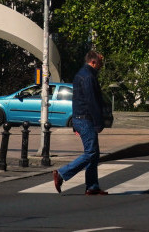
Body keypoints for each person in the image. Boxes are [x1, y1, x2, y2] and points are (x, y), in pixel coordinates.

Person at [53, 50, 108, 195]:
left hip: (80, 118)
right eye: (100, 63)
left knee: (94, 154)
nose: (101, 66)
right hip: (86, 119)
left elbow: (77, 100)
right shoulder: (89, 77)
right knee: (91, 153)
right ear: (93, 62)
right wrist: (98, 122)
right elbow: (92, 102)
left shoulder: (81, 74)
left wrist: (75, 124)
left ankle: (92, 186)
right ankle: (62, 173)